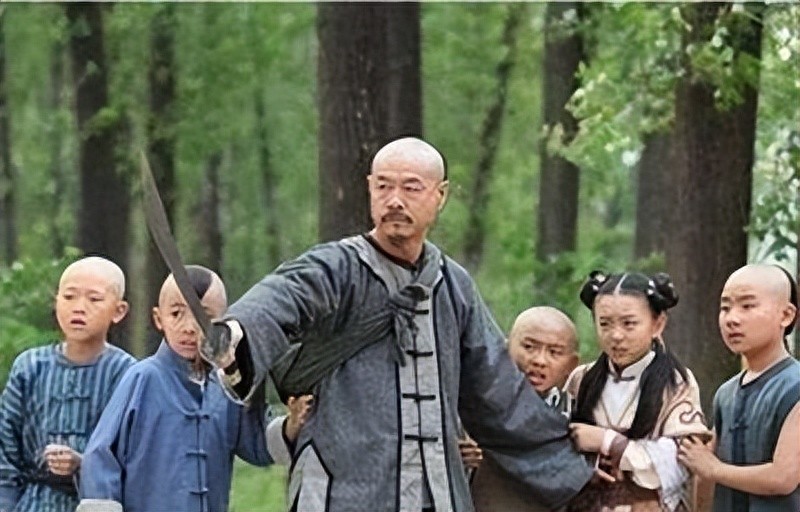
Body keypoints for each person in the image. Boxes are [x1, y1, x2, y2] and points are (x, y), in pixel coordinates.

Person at [202, 137, 594, 511]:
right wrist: (237, 333)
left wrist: (572, 467)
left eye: (411, 188)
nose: (394, 200)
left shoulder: (453, 286)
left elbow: (498, 392)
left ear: (440, 195)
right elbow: (284, 295)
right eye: (384, 186)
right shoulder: (336, 267)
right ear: (369, 189)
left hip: (435, 496)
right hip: (345, 492)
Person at [78, 265, 273, 512]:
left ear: (223, 323)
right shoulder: (143, 378)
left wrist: (291, 426)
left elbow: (256, 446)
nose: (189, 327)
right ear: (159, 318)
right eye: (176, 313)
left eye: (203, 316)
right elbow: (101, 454)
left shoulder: (225, 387)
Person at [566, 271, 711, 512]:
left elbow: (681, 461)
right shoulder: (581, 379)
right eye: (605, 324)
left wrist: (608, 442)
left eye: (629, 323)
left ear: (658, 324)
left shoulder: (676, 382)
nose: (616, 335)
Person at [0, 256, 135, 512]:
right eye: (69, 297)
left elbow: (137, 458)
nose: (79, 308)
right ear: (56, 302)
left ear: (119, 311)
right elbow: (6, 455)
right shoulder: (29, 367)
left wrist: (84, 465)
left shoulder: (128, 373)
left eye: (94, 299)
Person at [678, 264, 800, 512]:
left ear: (786, 315)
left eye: (747, 306)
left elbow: (783, 477)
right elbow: (704, 472)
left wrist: (713, 468)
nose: (732, 319)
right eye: (725, 308)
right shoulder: (726, 393)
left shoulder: (794, 384)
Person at [469, 306, 581, 512]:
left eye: (554, 352)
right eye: (529, 347)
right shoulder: (477, 407)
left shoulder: (577, 417)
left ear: (571, 364)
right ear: (506, 349)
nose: (539, 360)